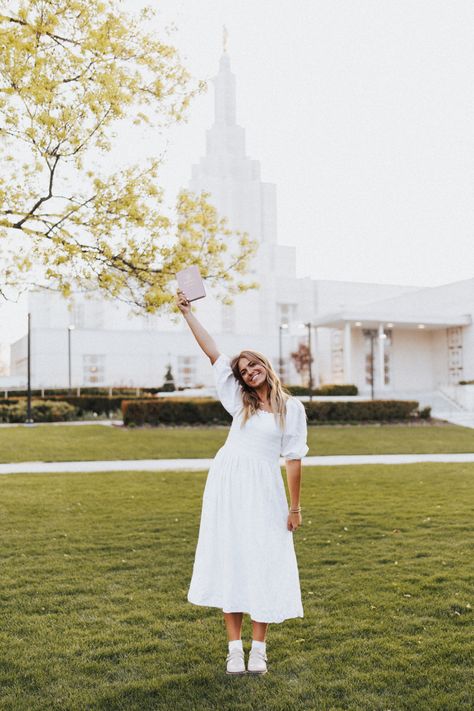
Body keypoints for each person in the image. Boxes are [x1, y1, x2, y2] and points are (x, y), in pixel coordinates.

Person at [176, 290, 308, 676]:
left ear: (265, 366)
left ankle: (259, 649)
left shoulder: (292, 409)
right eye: (244, 370)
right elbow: (213, 352)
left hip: (265, 490)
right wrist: (188, 314)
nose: (250, 371)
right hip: (228, 484)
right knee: (232, 556)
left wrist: (294, 507)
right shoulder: (239, 402)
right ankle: (234, 649)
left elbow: (294, 459)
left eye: (254, 365)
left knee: (264, 558)